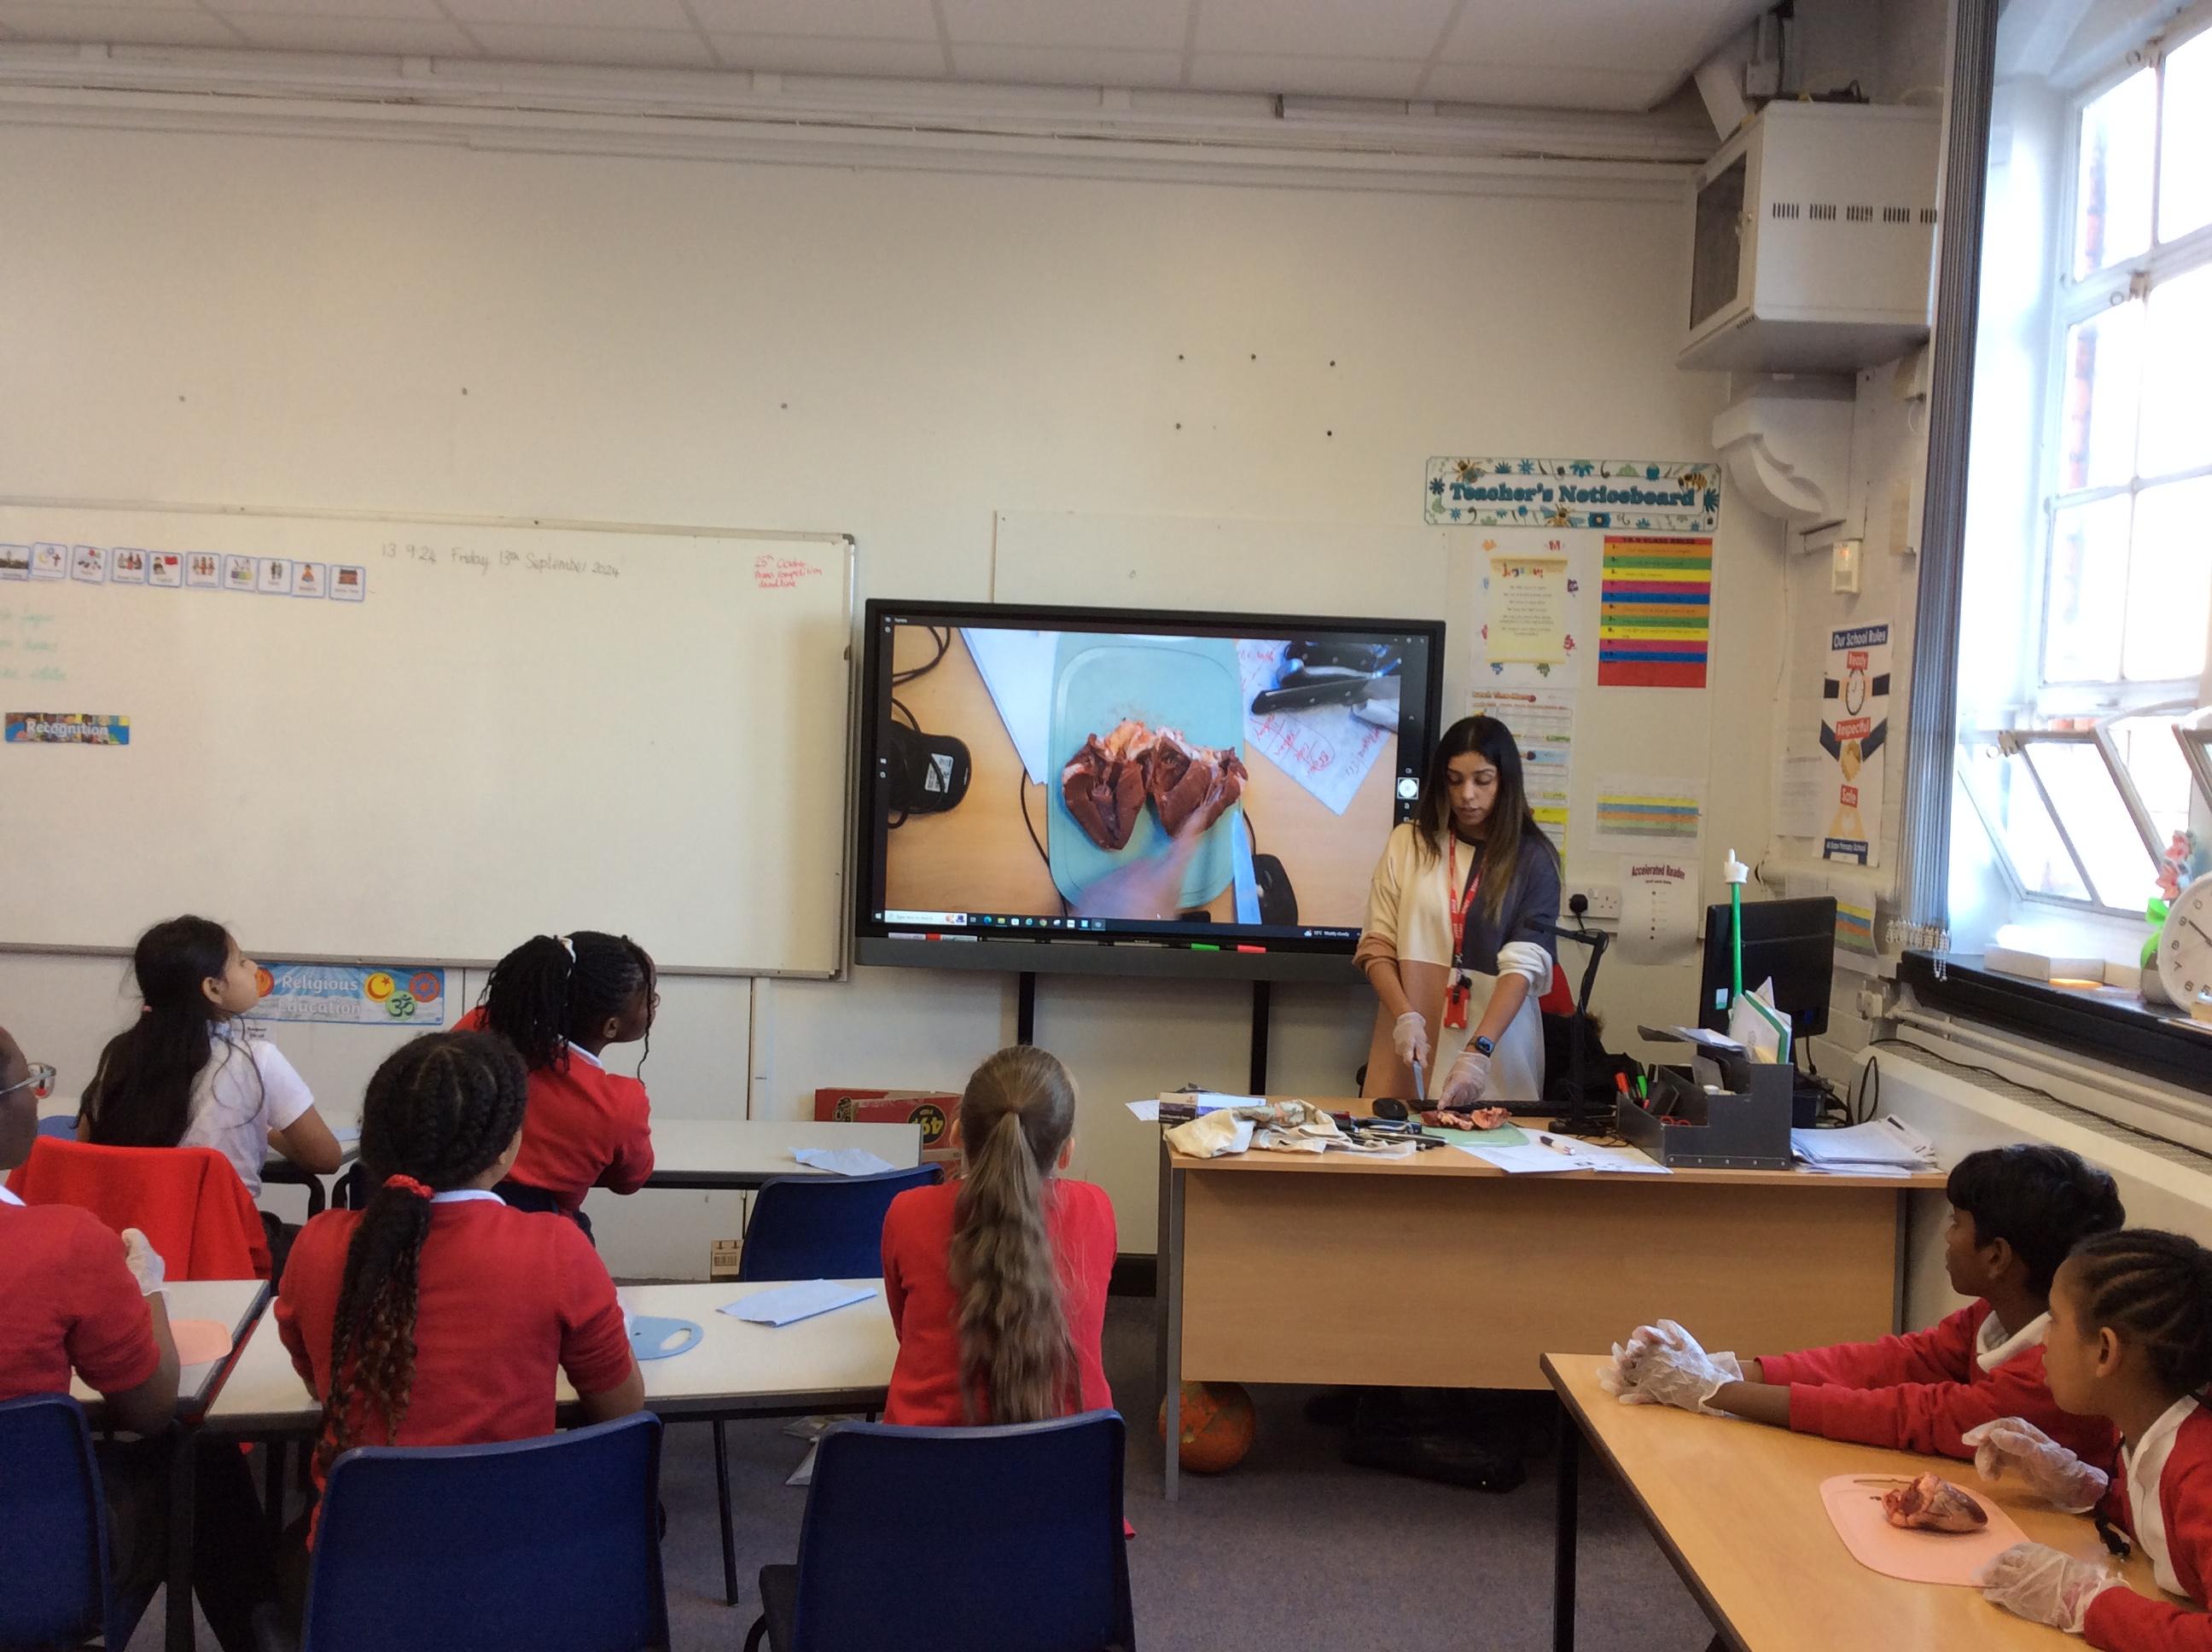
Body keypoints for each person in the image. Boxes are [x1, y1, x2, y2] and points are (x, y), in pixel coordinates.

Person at [275, 1031, 643, 1515]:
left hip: (360, 1549)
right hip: (519, 1541)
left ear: (374, 1141)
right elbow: (621, 1410)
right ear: (507, 1147)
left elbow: (317, 1387)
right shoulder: (557, 1248)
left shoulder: (316, 1244)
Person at [0, 1023, 271, 1649]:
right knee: (195, 1456)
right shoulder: (66, 1244)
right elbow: (150, 1406)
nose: (38, 1099)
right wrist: (146, 1287)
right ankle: (264, 1634)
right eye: (28, 1083)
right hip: (28, 1568)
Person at [1604, 1143, 2124, 1464]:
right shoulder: (1995, 1316)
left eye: (1957, 1223)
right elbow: (1889, 1362)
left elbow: (1911, 1416)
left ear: (1997, 1257)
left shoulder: (2046, 1372)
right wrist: (1727, 1368)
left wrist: (1715, 1391)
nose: (1947, 1237)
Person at [1977, 1228, 2212, 1646]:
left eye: (2054, 1320)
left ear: (2105, 1350)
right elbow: (2171, 1526)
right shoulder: (2148, 1424)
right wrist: (2085, 1486)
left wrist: (2088, 1604)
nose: (2043, 1339)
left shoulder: (2202, 1469)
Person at [79, 915, 342, 1270]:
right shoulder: (257, 1060)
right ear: (213, 988)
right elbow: (325, 1158)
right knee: (322, 1251)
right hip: (224, 1250)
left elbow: (87, 1151)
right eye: (242, 961)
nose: (254, 968)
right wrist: (265, 1128)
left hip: (128, 1252)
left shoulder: (119, 1056)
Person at [879, 1045, 1115, 1426]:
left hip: (925, 1457)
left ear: (956, 1133)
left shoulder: (908, 1212)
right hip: (1072, 1456)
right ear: (1066, 1152)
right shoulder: (1096, 1207)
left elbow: (904, 1331)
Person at [1356, 714, 1559, 1112]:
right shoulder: (1408, 843)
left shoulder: (1534, 859)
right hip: (1412, 1042)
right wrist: (1404, 1016)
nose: (1467, 795)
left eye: (1482, 780)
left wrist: (1478, 1051)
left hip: (1496, 1045)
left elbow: (1523, 966)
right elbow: (1376, 945)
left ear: (1505, 782)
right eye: (1454, 780)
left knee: (1491, 1140)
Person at [455, 931, 657, 1233]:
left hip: (445, 1220)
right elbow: (631, 1180)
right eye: (649, 998)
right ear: (611, 1026)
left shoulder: (478, 1025)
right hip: (544, 1235)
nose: (654, 1004)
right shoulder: (620, 1104)